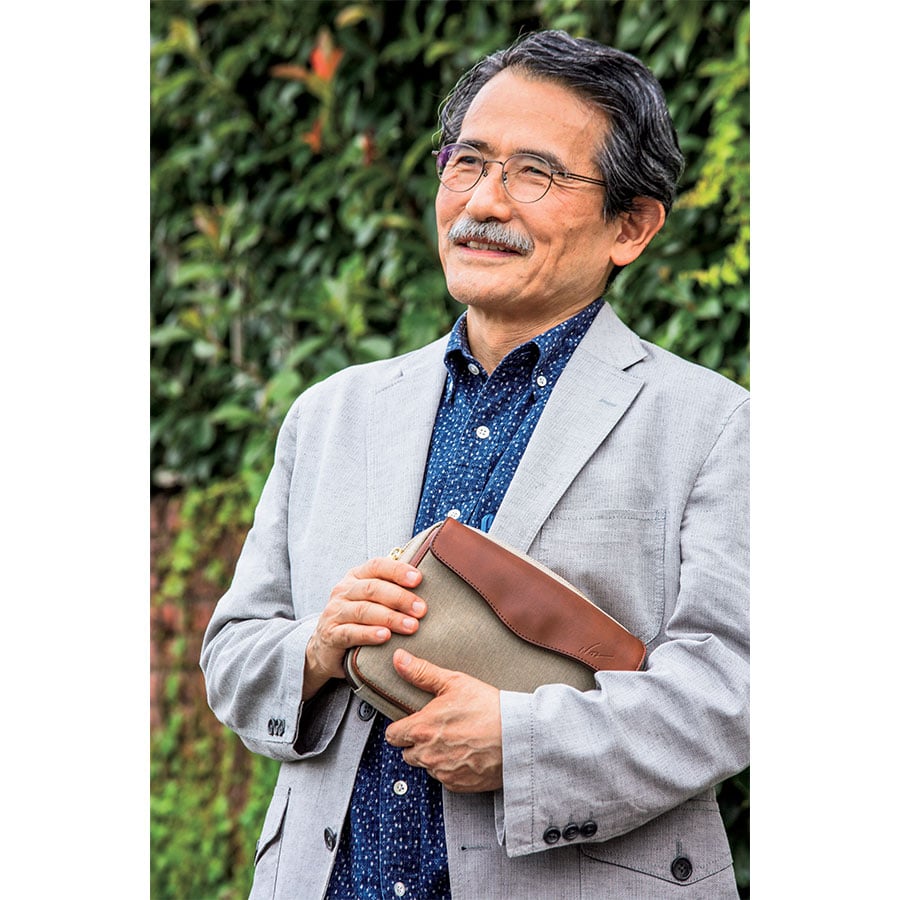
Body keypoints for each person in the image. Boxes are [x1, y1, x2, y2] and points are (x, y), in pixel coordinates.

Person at [200, 29, 749, 899]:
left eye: (536, 174)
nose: (483, 202)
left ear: (631, 226)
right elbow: (233, 652)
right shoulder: (330, 414)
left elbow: (735, 682)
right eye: (467, 162)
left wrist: (522, 745)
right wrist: (319, 647)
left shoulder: (716, 425)